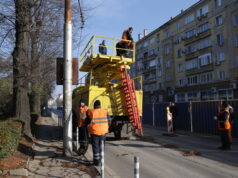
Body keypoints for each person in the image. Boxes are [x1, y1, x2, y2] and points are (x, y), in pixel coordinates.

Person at [85, 100, 109, 166]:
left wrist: (87, 126)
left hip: (94, 132)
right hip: (103, 132)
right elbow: (109, 120)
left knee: (95, 146)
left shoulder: (92, 112)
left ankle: (96, 161)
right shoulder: (105, 111)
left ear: (94, 106)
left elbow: (87, 120)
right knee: (102, 146)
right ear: (100, 105)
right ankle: (101, 160)